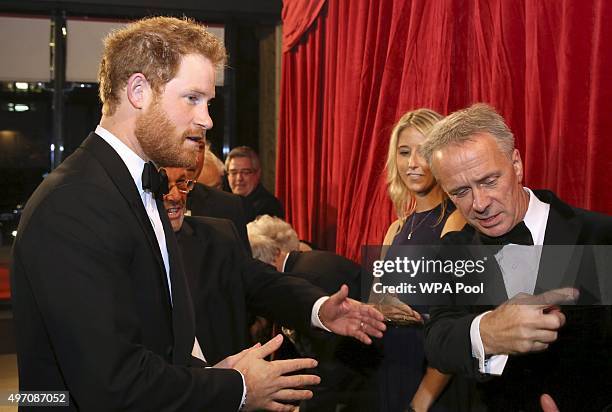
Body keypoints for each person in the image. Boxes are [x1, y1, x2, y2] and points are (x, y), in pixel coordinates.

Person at [10, 17, 384, 411]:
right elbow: (111, 385)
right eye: (193, 98)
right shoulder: (75, 202)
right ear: (138, 91)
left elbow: (152, 342)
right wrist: (236, 388)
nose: (206, 119)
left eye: (209, 103)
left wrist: (211, 374)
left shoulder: (130, 188)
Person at [420, 103, 612, 411]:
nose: (479, 204)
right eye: (460, 192)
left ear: (517, 164)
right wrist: (488, 331)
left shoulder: (599, 236)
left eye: (489, 181)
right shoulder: (453, 250)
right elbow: (438, 342)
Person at [163, 168, 385, 366]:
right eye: (165, 186)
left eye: (182, 184)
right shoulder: (130, 246)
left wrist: (320, 309)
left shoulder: (218, 236)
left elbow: (266, 284)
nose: (175, 197)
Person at [379, 108, 466, 412]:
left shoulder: (457, 223)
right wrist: (382, 307)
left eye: (424, 151)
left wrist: (420, 403)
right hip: (390, 366)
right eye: (404, 152)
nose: (413, 163)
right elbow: (374, 301)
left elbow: (458, 326)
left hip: (433, 376)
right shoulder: (396, 228)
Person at [248, 216, 379, 412]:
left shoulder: (302, 281)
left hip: (373, 380)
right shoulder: (308, 265)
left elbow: (327, 361)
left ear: (273, 256)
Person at [186, 146, 253, 251]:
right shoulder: (170, 204)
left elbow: (243, 261)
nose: (216, 193)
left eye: (218, 186)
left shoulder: (231, 206)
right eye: (209, 189)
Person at [226, 146, 285, 219]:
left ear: (258, 174)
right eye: (234, 173)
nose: (239, 178)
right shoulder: (225, 203)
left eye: (245, 172)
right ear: (228, 176)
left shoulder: (268, 207)